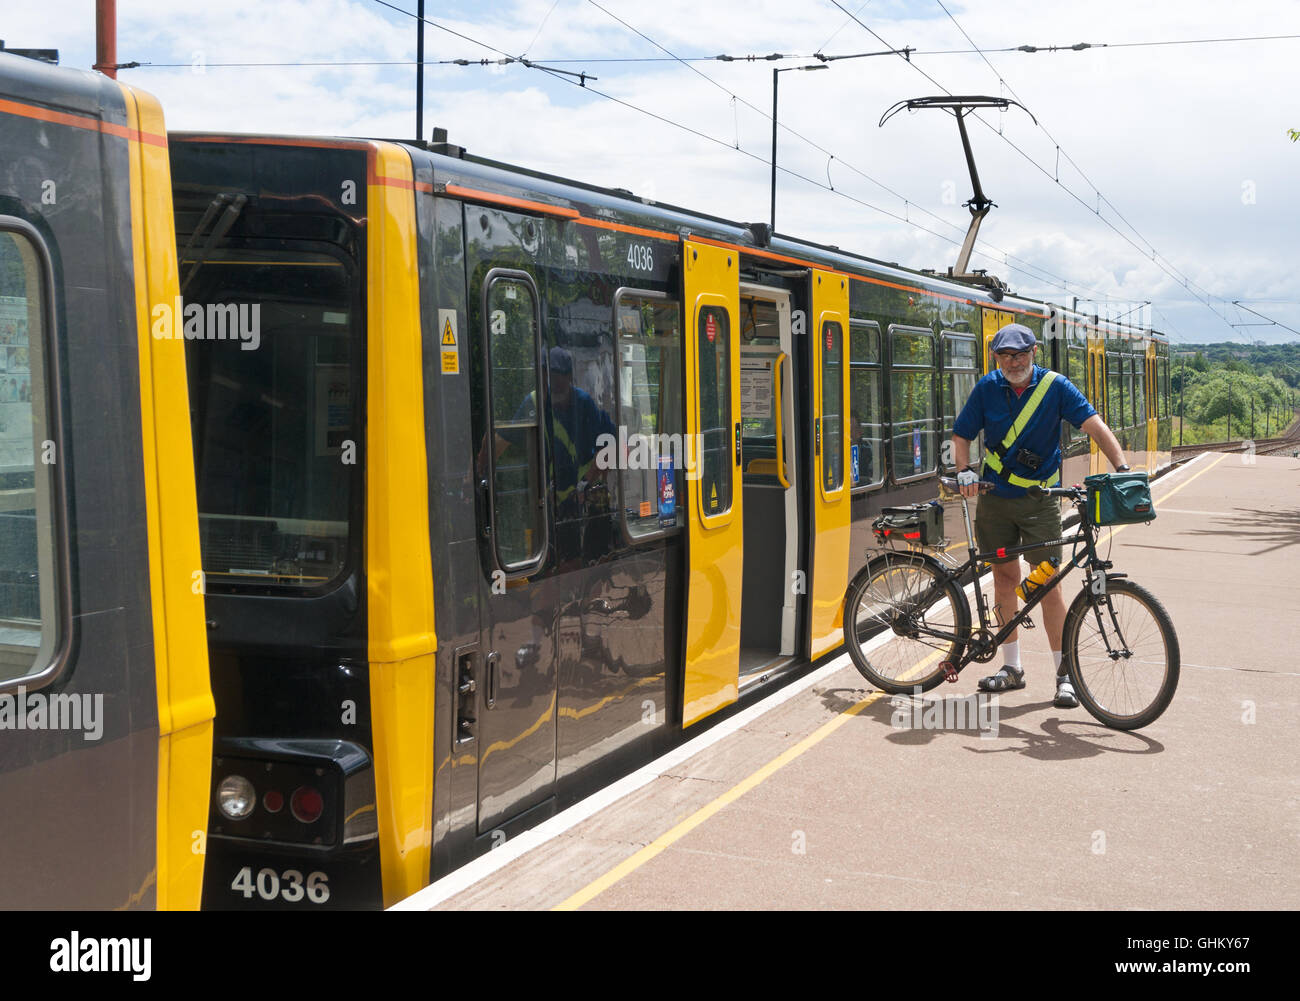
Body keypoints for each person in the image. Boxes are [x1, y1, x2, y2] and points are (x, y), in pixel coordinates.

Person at [950, 322, 1129, 708]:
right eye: (1004, 355)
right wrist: (964, 469)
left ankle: (1065, 676)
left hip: (1040, 501)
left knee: (1047, 586)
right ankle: (1011, 668)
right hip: (995, 499)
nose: (1013, 362)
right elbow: (961, 434)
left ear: (1033, 352)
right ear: (996, 358)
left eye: (1020, 354)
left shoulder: (1056, 387)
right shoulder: (987, 388)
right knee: (1003, 578)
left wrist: (1123, 468)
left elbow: (1094, 425)